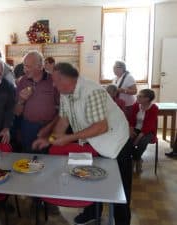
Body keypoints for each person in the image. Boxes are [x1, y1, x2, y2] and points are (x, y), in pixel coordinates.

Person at [33, 63, 132, 225]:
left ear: (65, 80)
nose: (53, 84)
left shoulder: (92, 91)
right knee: (94, 180)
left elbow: (101, 126)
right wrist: (49, 140)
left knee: (119, 190)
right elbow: (63, 122)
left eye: (55, 80)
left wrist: (68, 138)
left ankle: (122, 221)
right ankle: (93, 212)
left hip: (117, 143)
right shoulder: (66, 93)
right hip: (98, 143)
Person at [15, 51, 59, 153]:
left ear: (40, 66)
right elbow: (16, 112)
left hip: (50, 127)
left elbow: (63, 109)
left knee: (49, 160)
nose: (24, 70)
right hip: (28, 127)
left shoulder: (53, 80)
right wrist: (21, 100)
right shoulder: (22, 81)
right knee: (28, 160)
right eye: (24, 66)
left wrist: (50, 127)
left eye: (28, 67)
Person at [129, 89, 158, 173]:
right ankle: (138, 159)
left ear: (147, 99)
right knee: (127, 140)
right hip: (136, 129)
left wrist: (137, 139)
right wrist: (131, 130)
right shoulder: (136, 105)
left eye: (140, 96)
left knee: (143, 141)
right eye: (138, 95)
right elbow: (131, 120)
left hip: (148, 131)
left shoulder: (154, 108)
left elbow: (149, 126)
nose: (137, 97)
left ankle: (134, 160)